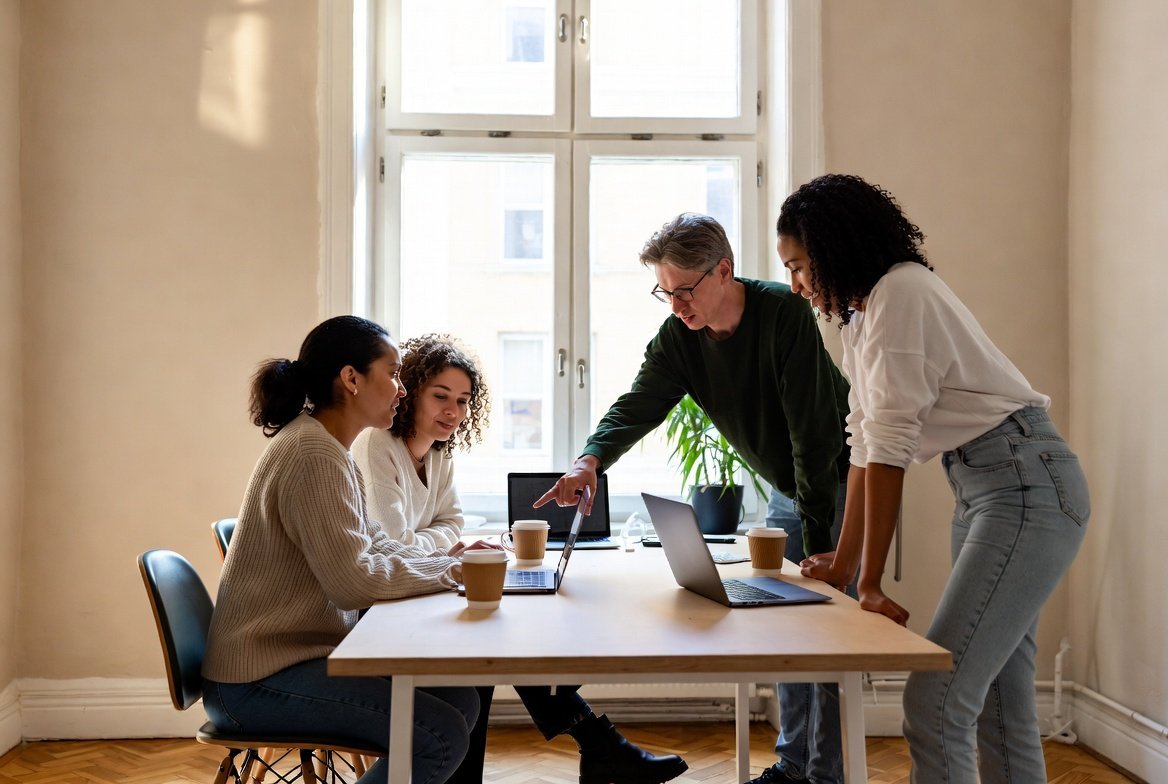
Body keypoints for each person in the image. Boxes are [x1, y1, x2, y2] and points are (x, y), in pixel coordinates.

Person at [778, 173, 1090, 784]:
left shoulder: (902, 293)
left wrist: (868, 580)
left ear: (834, 249)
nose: (795, 285)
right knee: (998, 700)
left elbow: (890, 448)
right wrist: (845, 568)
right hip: (985, 489)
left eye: (798, 265)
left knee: (934, 698)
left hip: (1027, 485)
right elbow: (866, 441)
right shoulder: (862, 317)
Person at [536, 213, 853, 784]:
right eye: (666, 291)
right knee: (789, 633)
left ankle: (824, 776)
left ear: (724, 270)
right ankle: (793, 765)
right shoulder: (678, 339)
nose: (677, 305)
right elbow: (640, 403)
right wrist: (588, 462)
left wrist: (825, 544)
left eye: (685, 290)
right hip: (791, 489)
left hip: (839, 483)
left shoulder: (784, 313)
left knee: (824, 637)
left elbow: (815, 435)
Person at [352, 333, 688, 784]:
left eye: (463, 400)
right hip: (379, 615)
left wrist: (435, 541)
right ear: (410, 392)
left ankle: (599, 746)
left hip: (414, 591)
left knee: (494, 636)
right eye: (440, 397)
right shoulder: (377, 444)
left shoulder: (438, 453)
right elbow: (396, 541)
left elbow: (452, 523)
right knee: (489, 641)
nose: (452, 412)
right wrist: (441, 544)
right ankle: (601, 746)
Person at [202, 316, 491, 784]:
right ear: (351, 379)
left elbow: (375, 545)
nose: (401, 388)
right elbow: (353, 582)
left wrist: (452, 562)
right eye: (393, 373)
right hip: (257, 682)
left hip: (294, 661)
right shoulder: (313, 454)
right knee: (438, 736)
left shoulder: (332, 449)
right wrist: (453, 573)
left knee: (460, 698)